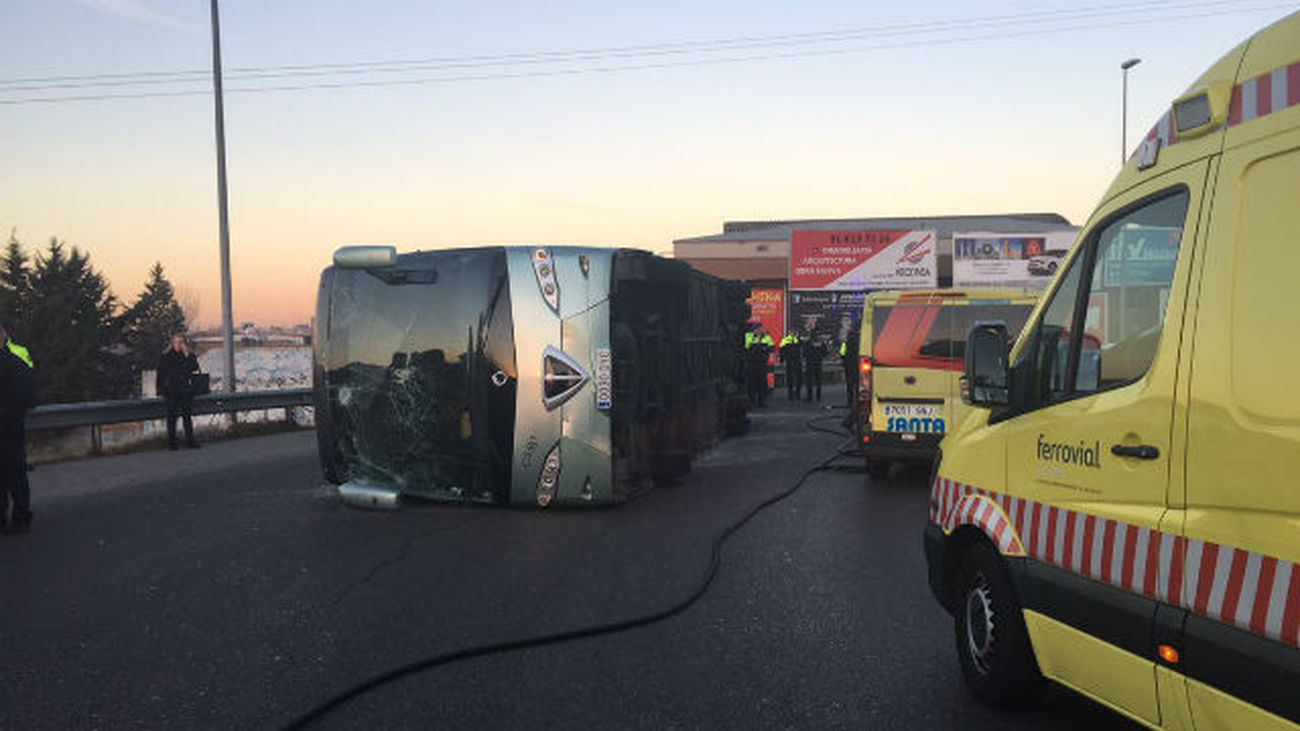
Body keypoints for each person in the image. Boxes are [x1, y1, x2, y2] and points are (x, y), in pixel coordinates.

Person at [0, 323, 36, 534]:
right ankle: (15, 516)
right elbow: (29, 396)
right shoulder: (16, 361)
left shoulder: (15, 362)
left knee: (13, 472)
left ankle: (20, 516)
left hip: (9, 424)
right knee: (11, 472)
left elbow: (27, 395)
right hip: (10, 423)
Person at [157, 334, 201, 450]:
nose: (179, 344)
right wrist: (161, 390)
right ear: (172, 343)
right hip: (171, 391)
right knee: (172, 417)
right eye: (177, 342)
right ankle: (172, 442)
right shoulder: (166, 356)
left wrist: (187, 355)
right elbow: (160, 374)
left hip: (185, 390)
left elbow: (194, 367)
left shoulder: (187, 355)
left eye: (181, 342)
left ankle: (190, 441)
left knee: (187, 416)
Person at [743, 323, 773, 407]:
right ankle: (751, 401)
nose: (759, 331)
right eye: (757, 329)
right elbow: (746, 348)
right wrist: (755, 348)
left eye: (760, 329)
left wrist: (764, 349)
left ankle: (761, 401)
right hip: (751, 364)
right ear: (753, 330)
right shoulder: (749, 336)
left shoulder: (766, 337)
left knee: (762, 383)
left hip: (762, 363)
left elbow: (771, 348)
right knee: (751, 384)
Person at [778, 331, 803, 401]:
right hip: (790, 361)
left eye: (794, 332)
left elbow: (802, 347)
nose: (793, 333)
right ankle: (790, 394)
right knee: (790, 379)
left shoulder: (798, 339)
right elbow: (781, 350)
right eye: (792, 332)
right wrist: (782, 359)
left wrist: (797, 338)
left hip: (797, 361)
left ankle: (798, 393)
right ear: (789, 332)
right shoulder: (785, 340)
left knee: (799, 378)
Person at [802, 331, 825, 403]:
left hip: (810, 364)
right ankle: (818, 397)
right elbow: (825, 352)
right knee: (818, 381)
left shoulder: (808, 343)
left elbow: (804, 353)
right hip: (818, 363)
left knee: (809, 382)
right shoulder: (821, 343)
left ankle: (810, 397)